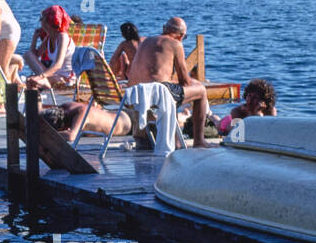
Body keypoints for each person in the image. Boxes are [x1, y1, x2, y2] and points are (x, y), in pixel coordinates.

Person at [125, 16, 211, 148]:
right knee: (200, 91)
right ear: (181, 35)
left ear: (164, 29)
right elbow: (185, 81)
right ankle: (199, 141)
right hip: (157, 93)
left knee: (173, 91)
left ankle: (174, 139)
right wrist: (195, 82)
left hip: (134, 93)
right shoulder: (175, 44)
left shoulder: (146, 41)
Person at [22, 5, 76, 92]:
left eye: (41, 19)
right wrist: (34, 39)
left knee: (31, 80)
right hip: (52, 75)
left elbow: (58, 64)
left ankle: (44, 84)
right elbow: (34, 56)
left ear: (48, 22)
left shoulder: (63, 37)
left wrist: (40, 77)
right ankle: (36, 103)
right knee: (28, 55)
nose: (40, 21)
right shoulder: (49, 37)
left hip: (64, 79)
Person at [40, 101, 134, 143]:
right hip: (117, 113)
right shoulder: (66, 106)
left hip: (129, 123)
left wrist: (43, 135)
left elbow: (71, 136)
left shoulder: (80, 113)